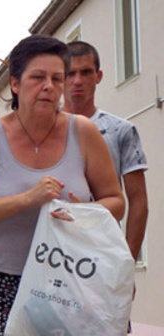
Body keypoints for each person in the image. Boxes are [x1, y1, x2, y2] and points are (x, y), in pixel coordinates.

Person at [0, 35, 125, 335]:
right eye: (38, 77)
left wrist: (83, 213)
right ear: (15, 84)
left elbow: (116, 201)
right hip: (6, 280)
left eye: (56, 78)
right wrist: (27, 199)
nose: (49, 86)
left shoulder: (82, 131)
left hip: (71, 277)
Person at [63, 40, 148, 262]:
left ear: (98, 76)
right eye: (70, 73)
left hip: (103, 251)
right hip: (52, 249)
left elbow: (138, 201)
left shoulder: (121, 130)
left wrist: (127, 263)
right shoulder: (43, 129)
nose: (78, 80)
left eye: (86, 72)